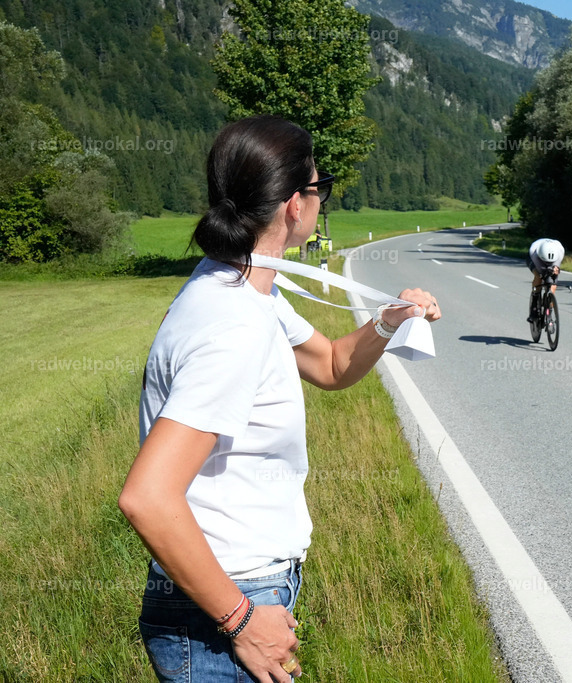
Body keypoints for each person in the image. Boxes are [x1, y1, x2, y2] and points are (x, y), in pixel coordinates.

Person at [118, 115, 441, 683]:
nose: (321, 201)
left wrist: (389, 322)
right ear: (296, 205)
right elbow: (147, 496)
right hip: (226, 602)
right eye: (321, 188)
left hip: (232, 590)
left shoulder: (240, 288)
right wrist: (242, 622)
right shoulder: (235, 323)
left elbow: (333, 365)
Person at [526, 237, 564, 323]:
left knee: (553, 284)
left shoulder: (560, 251)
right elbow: (541, 271)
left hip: (552, 256)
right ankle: (534, 305)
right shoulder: (534, 253)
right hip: (534, 259)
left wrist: (554, 271)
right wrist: (545, 273)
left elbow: (556, 269)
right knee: (538, 276)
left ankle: (549, 312)